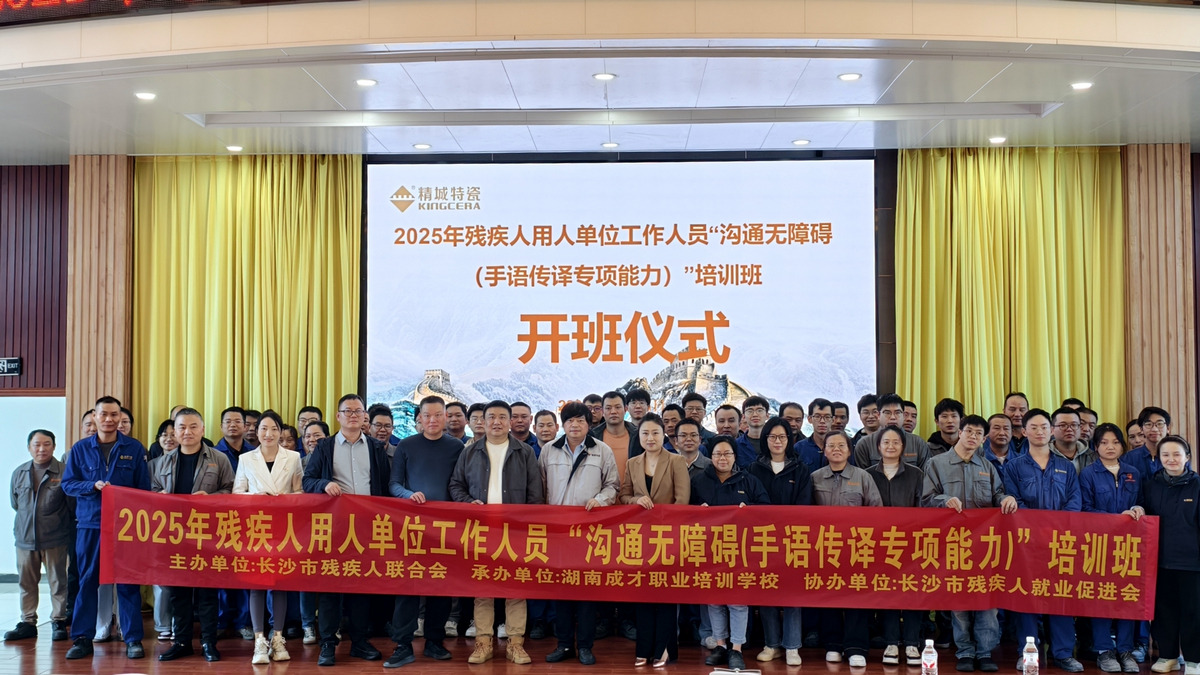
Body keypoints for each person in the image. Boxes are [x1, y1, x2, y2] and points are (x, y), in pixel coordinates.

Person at [449, 400, 544, 665]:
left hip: (515, 531)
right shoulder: (470, 452)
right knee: (483, 588)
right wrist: (469, 502)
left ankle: (515, 644)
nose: (497, 422)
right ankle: (483, 643)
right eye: (491, 417)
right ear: (483, 420)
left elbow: (535, 494)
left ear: (511, 421)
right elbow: (456, 485)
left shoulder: (524, 452)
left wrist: (527, 526)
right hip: (481, 530)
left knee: (516, 588)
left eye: (503, 417)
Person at [922, 415, 1018, 673]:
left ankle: (985, 652)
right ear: (960, 433)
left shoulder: (986, 466)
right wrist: (944, 500)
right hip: (952, 544)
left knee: (987, 601)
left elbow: (997, 494)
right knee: (959, 602)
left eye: (978, 434)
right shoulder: (937, 464)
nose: (973, 437)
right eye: (969, 431)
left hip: (984, 546)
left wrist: (1006, 499)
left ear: (983, 439)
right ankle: (964, 651)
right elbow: (926, 499)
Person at [302, 394, 390, 667]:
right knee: (331, 586)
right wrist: (324, 485)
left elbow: (385, 486)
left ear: (364, 417)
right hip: (334, 527)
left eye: (358, 411)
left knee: (362, 586)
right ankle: (328, 644)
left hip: (367, 526)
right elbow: (308, 480)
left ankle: (360, 642)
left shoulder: (375, 447)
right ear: (338, 416)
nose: (353, 415)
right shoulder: (325, 446)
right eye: (347, 411)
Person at [62, 396, 151, 661]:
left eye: (114, 415)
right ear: (95, 416)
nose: (109, 419)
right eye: (104, 414)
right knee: (87, 581)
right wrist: (91, 486)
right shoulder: (80, 449)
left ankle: (132, 639)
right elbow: (68, 484)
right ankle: (82, 638)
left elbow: (143, 490)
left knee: (127, 582)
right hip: (90, 524)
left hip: (125, 527)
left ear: (121, 417)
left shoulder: (134, 448)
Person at [1002, 408, 1083, 672]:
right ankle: (1028, 652)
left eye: (1045, 427)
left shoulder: (1066, 467)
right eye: (1034, 427)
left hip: (1060, 543)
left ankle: (1063, 653)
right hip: (1027, 543)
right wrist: (1037, 528)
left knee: (1060, 596)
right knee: (1026, 597)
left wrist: (1056, 529)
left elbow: (1074, 501)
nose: (1040, 432)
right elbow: (1015, 501)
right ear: (1024, 431)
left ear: (1052, 431)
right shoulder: (1013, 467)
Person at [153, 407, 236, 662]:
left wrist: (211, 498)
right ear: (175, 432)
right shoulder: (162, 462)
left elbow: (231, 490)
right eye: (181, 427)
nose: (187, 432)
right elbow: (152, 491)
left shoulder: (219, 459)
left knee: (207, 593)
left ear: (202, 429)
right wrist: (158, 497)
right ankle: (182, 642)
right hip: (174, 536)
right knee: (178, 593)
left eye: (192, 427)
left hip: (208, 535)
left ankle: (209, 642)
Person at [387, 395, 464, 668]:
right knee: (407, 587)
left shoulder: (457, 447)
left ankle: (434, 641)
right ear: (419, 418)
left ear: (446, 417)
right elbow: (394, 484)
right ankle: (402, 645)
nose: (432, 420)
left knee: (440, 586)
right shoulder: (406, 446)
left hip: (445, 528)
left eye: (438, 415)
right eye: (427, 415)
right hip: (412, 527)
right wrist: (408, 494)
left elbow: (460, 484)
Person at [543, 401, 619, 666]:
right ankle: (564, 644)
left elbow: (613, 485)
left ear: (589, 424)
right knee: (561, 591)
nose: (574, 425)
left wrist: (600, 500)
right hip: (558, 532)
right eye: (569, 420)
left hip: (590, 531)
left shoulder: (602, 450)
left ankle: (585, 646)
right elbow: (540, 487)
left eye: (580, 420)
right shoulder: (548, 450)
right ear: (562, 424)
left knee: (587, 591)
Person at [691, 435, 768, 672]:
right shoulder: (699, 480)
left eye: (727, 453)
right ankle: (720, 645)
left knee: (737, 601)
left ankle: (736, 648)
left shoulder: (749, 480)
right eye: (717, 454)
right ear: (711, 456)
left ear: (735, 456)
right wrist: (697, 510)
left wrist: (749, 509)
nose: (722, 458)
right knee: (714, 600)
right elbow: (685, 511)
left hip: (740, 551)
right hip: (709, 549)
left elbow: (767, 508)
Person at [231, 411, 302, 664]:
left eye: (273, 429)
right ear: (256, 431)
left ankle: (278, 638)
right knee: (257, 584)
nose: (268, 434)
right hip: (256, 528)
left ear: (280, 431)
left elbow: (300, 492)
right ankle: (259, 641)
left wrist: (283, 500)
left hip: (284, 529)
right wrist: (257, 497)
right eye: (263, 428)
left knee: (280, 583)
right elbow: (237, 493)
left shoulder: (293, 457)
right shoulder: (246, 458)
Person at [618, 413, 688, 667]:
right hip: (640, 539)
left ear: (663, 435)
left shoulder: (676, 461)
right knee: (644, 594)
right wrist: (636, 500)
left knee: (666, 596)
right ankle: (644, 648)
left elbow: (682, 501)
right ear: (639, 436)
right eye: (645, 433)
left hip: (669, 538)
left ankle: (665, 649)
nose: (650, 438)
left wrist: (666, 526)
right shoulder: (632, 463)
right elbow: (624, 496)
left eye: (655, 433)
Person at [811, 431, 882, 667]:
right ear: (824, 450)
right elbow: (805, 514)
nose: (836, 449)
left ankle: (856, 647)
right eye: (831, 445)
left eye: (841, 445)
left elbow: (877, 511)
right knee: (828, 595)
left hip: (856, 548)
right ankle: (832, 644)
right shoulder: (815, 478)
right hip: (826, 548)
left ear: (849, 450)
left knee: (856, 597)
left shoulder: (862, 477)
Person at [748, 417, 811, 666]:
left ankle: (792, 646)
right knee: (767, 590)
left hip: (793, 539)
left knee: (792, 592)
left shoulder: (800, 469)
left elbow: (804, 505)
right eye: (772, 437)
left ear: (789, 440)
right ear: (765, 439)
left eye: (782, 437)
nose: (777, 441)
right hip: (762, 539)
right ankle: (771, 644)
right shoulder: (754, 469)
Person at [1079, 423, 1141, 674]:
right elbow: (1085, 509)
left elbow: (1142, 503)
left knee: (1127, 596)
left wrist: (1138, 509)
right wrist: (1115, 519)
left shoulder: (1133, 472)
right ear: (1096, 447)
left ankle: (1125, 650)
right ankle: (1104, 650)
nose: (1110, 447)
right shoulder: (1088, 474)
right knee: (1101, 597)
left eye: (1115, 442)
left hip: (1129, 545)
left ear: (1122, 446)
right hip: (1099, 544)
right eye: (1104, 442)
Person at [863, 425, 927, 667]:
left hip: (910, 543)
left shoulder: (916, 474)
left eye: (896, 442)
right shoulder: (867, 474)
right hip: (878, 544)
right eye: (886, 442)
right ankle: (891, 642)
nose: (891, 446)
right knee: (887, 591)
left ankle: (911, 642)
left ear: (903, 446)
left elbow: (923, 508)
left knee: (911, 591)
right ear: (878, 446)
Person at [1142, 435, 1200, 675]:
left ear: (1187, 457)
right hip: (1159, 561)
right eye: (1165, 455)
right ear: (1159, 458)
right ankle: (1168, 656)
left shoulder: (1197, 485)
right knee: (1163, 612)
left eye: (1177, 454)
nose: (1171, 459)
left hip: (1192, 563)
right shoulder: (1151, 485)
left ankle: (1195, 660)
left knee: (1193, 613)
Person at [6, 429, 72, 643]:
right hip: (25, 539)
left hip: (55, 538)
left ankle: (59, 620)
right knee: (26, 583)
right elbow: (16, 504)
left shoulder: (64, 472)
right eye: (37, 444)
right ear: (29, 447)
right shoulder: (19, 473)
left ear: (54, 447)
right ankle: (27, 622)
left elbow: (71, 506)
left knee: (58, 582)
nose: (41, 449)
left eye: (46, 444)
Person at [854, 394, 931, 469]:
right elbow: (862, 476)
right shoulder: (864, 444)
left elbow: (924, 474)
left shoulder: (918, 443)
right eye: (887, 413)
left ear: (903, 415)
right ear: (878, 415)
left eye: (897, 412)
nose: (893, 417)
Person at [590, 391, 640, 485]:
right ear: (602, 411)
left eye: (617, 407)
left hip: (633, 493)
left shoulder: (638, 436)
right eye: (608, 408)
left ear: (625, 409)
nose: (613, 412)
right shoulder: (593, 437)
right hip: (601, 493)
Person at [1127, 406, 1173, 482]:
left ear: (1168, 428)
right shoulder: (1129, 458)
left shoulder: (1177, 456)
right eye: (1148, 424)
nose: (1154, 429)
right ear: (1141, 429)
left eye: (1159, 424)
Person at [1050, 407, 1096, 473]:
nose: (1069, 429)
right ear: (1052, 429)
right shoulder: (1044, 454)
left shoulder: (1092, 456)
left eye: (1074, 425)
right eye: (1063, 425)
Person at [794, 398, 833, 472]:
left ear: (833, 419)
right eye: (817, 416)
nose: (822, 421)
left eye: (827, 417)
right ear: (809, 419)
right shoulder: (799, 448)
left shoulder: (841, 448)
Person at [734, 396, 770, 468]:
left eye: (759, 410)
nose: (755, 415)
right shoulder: (736, 445)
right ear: (743, 417)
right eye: (750, 411)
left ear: (767, 415)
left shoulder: (775, 443)